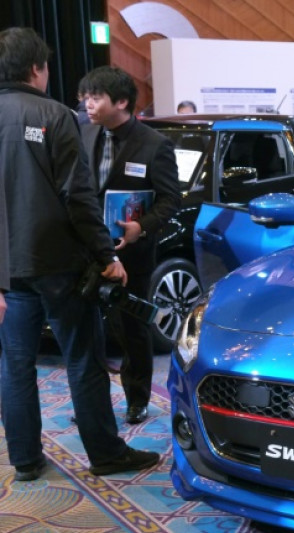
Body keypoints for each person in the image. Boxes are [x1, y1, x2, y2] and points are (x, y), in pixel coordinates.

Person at [0, 26, 160, 481]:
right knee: (84, 359)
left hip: (9, 267)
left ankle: (25, 459)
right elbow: (78, 196)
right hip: (61, 263)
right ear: (37, 68)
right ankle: (105, 454)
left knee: (15, 364)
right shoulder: (53, 114)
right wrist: (106, 256)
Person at [79, 66, 181, 424]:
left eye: (95, 98)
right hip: (87, 248)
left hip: (132, 252)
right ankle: (92, 400)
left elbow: (171, 199)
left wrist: (142, 226)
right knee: (86, 328)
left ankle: (137, 398)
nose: (88, 104)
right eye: (86, 97)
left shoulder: (154, 144)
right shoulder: (84, 133)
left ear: (121, 102)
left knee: (131, 328)